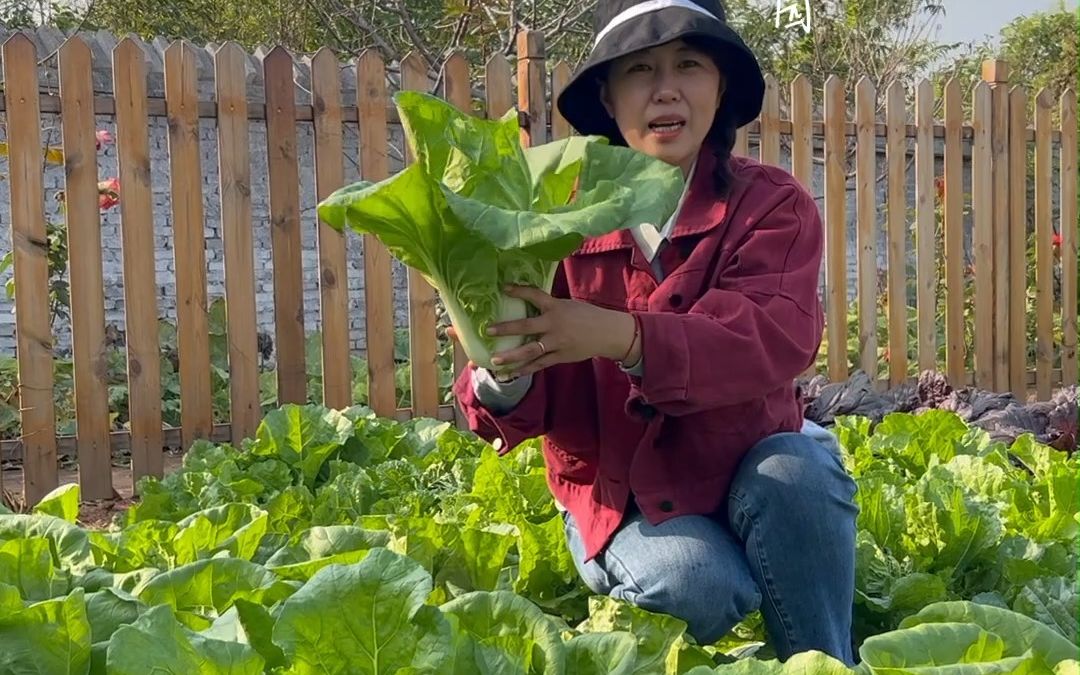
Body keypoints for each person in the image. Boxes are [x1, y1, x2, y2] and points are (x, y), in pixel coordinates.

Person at [449, 0, 859, 665]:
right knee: (703, 584)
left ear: (720, 86)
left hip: (744, 465)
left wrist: (619, 335)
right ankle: (650, 567)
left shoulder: (771, 204)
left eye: (688, 64)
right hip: (623, 496)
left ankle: (823, 658)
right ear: (608, 98)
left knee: (800, 475)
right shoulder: (555, 215)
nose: (665, 87)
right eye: (639, 69)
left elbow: (771, 335)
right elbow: (525, 399)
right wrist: (501, 371)